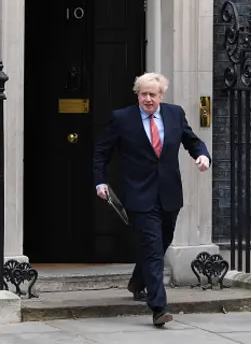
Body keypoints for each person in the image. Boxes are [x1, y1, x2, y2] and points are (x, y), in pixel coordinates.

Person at [92, 72, 210, 327]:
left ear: (161, 96)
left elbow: (192, 141)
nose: (148, 99)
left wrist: (203, 156)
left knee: (162, 242)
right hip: (139, 195)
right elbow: (101, 153)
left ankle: (137, 282)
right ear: (137, 95)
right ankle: (159, 308)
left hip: (169, 195)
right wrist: (100, 181)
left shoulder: (174, 114)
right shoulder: (122, 118)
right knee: (152, 249)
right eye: (143, 94)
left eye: (152, 94)